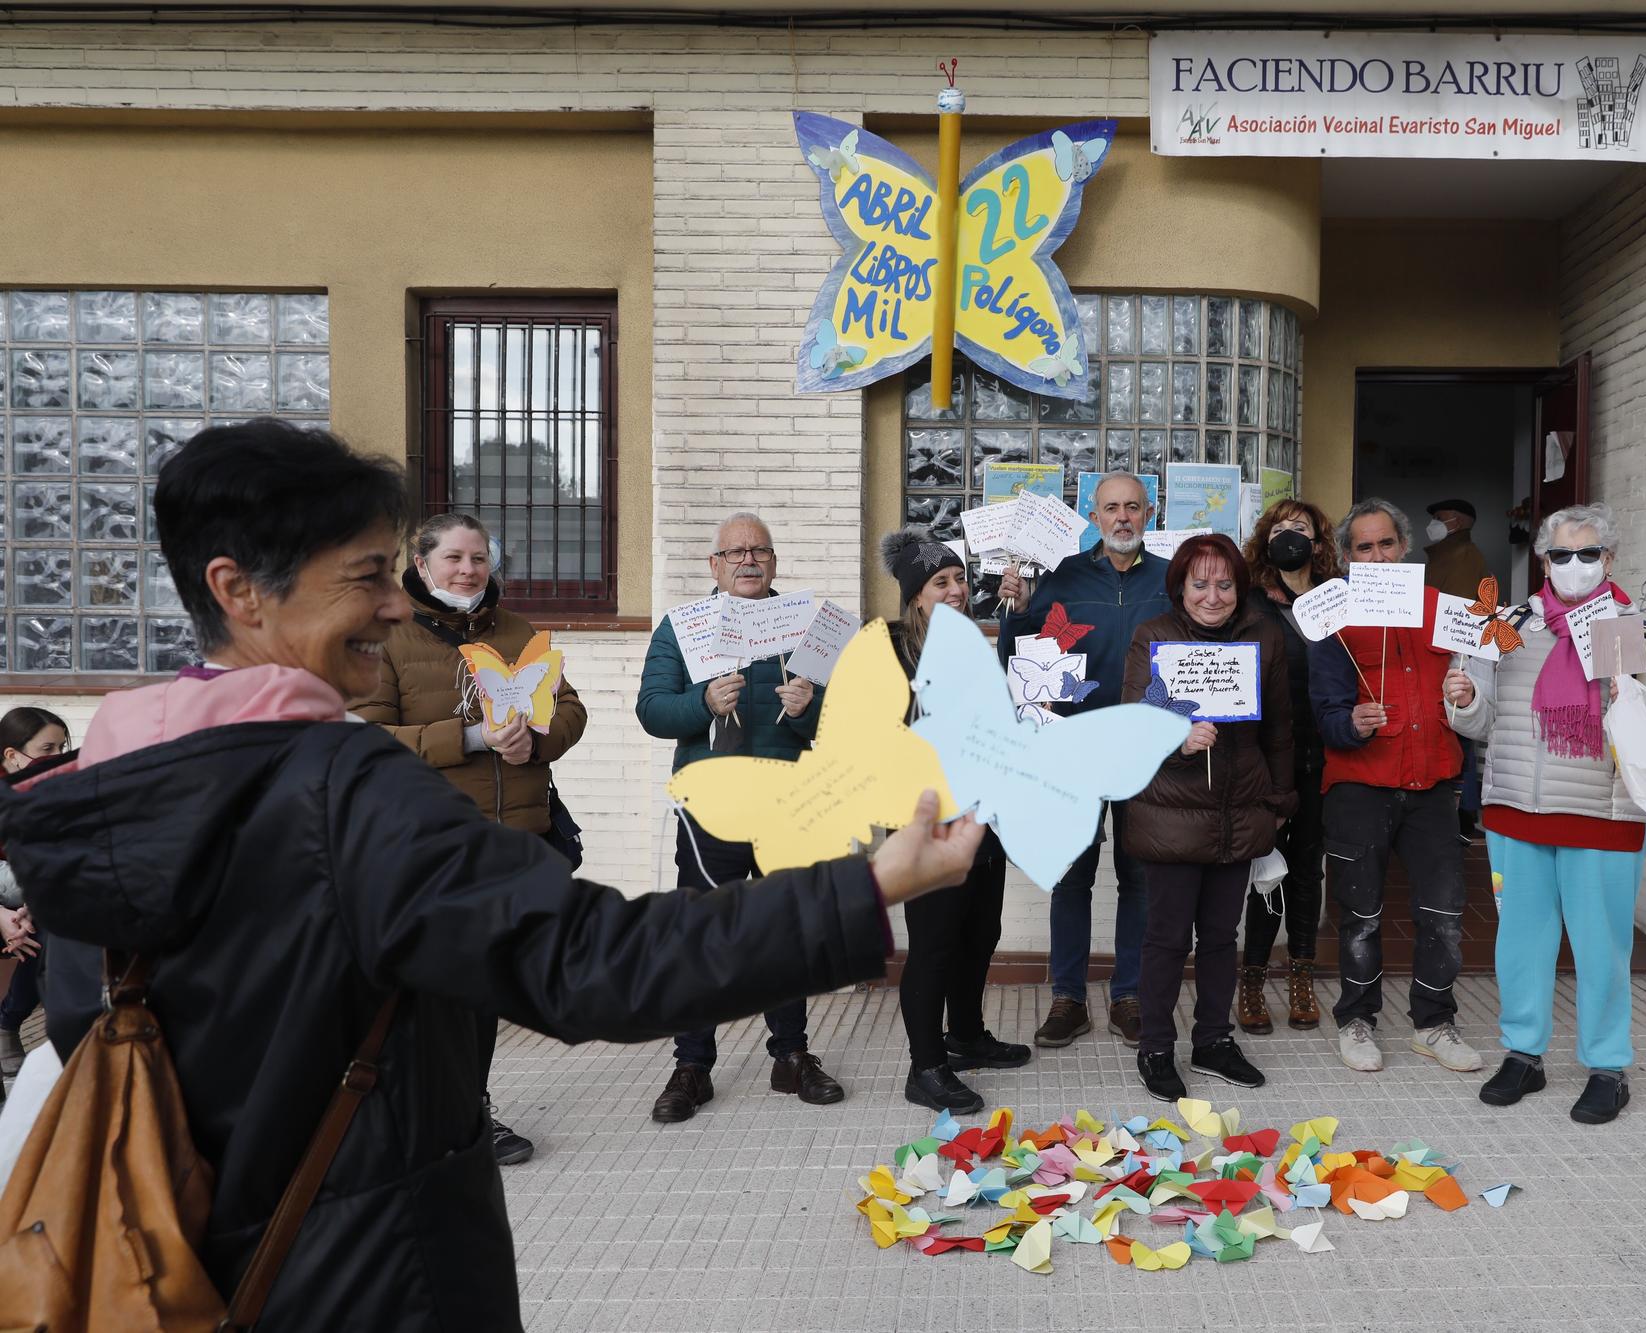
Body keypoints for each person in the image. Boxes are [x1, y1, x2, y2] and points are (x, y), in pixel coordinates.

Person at [0, 418, 983, 1330]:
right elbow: (594, 961)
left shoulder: (105, 784)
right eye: (368, 577)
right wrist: (870, 886)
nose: (397, 603)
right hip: (372, 1272)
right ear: (236, 589)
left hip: (170, 1261)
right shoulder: (342, 791)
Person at [352, 512, 588, 1166]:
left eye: (478, 558)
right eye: (453, 558)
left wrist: (536, 737)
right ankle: (417, 1115)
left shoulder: (517, 632)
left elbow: (570, 709)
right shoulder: (388, 638)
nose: (468, 570)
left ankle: (467, 1111)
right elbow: (368, 738)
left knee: (480, 994)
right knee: (432, 995)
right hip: (434, 847)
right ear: (422, 566)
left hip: (515, 841)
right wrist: (470, 738)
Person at [1445, 502, 1646, 1125]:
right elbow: (1479, 722)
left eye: (1587, 554)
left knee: (1602, 945)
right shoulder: (1510, 625)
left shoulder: (1635, 628)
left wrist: (1628, 698)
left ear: (1608, 559)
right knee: (1520, 945)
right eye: (1560, 554)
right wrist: (1463, 698)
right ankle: (1523, 1054)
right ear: (1542, 560)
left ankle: (1607, 1065)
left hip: (1603, 817)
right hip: (1517, 812)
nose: (1572, 566)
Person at [636, 511, 840, 1124]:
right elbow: (652, 710)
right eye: (736, 553)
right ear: (715, 566)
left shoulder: (805, 626)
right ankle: (693, 1064)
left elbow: (838, 722)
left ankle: (791, 1055)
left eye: (760, 551)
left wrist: (808, 709)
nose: (749, 561)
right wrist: (700, 702)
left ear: (774, 562)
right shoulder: (683, 628)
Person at [1309, 500, 1482, 1078]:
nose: (1377, 555)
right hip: (1360, 785)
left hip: (1434, 783)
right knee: (1360, 914)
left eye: (1386, 544)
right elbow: (1324, 711)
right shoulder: (1333, 616)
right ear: (1346, 558)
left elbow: (1482, 693)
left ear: (1403, 548)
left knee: (1444, 913)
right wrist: (1349, 725)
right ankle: (1357, 1020)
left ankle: (1434, 1023)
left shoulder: (1448, 612)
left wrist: (1468, 695)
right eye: (1364, 547)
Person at [997, 472, 1169, 1050]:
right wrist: (1018, 613)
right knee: (1071, 877)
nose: (1122, 517)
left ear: (1150, 513)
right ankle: (1068, 998)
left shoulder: (1173, 579)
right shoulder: (1064, 577)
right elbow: (1023, 659)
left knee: (1139, 876)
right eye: (1110, 508)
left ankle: (1129, 996)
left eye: (1132, 508)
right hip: (1073, 747)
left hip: (1146, 750)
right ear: (1093, 516)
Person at [1120, 534, 1294, 1101]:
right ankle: (1156, 1046)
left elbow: (1281, 734)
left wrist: (1278, 804)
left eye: (1224, 584)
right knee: (1166, 939)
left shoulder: (1264, 639)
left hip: (1239, 816)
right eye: (1200, 584)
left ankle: (1214, 1040)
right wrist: (1178, 739)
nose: (1213, 596)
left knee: (1222, 938)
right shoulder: (1154, 637)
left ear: (1240, 587)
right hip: (1169, 818)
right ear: (1181, 588)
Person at [881, 529, 1029, 1114]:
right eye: (940, 582)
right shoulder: (894, 650)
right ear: (916, 595)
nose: (956, 590)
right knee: (934, 944)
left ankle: (965, 1036)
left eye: (960, 579)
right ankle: (926, 1066)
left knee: (979, 933)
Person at [1236, 500, 1335, 1033]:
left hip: (1323, 757)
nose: (1291, 537)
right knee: (1264, 869)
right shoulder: (1250, 602)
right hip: (1265, 760)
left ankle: (1301, 973)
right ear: (1265, 539)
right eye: (1280, 529)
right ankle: (1252, 977)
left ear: (1319, 543)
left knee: (1306, 868)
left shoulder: (1338, 602)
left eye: (1302, 529)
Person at [0, 707, 65, 1078]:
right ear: (12, 755)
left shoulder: (53, 789)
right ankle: (9, 1023)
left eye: (62, 747)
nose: (58, 758)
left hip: (31, 898)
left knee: (54, 919)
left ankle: (10, 1022)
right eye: (47, 749)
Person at [1424, 498, 1493, 844]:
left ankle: (1463, 811)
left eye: (1440, 518)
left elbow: (1461, 611)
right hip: (1444, 648)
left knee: (1459, 730)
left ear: (1460, 522)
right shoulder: (1444, 553)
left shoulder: (1463, 557)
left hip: (1455, 652)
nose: (1433, 523)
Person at [1421, 498, 1492, 600]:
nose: (1432, 523)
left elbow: (1456, 607)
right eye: (1433, 518)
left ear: (1457, 523)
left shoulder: (1465, 556)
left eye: (1439, 518)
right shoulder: (1447, 554)